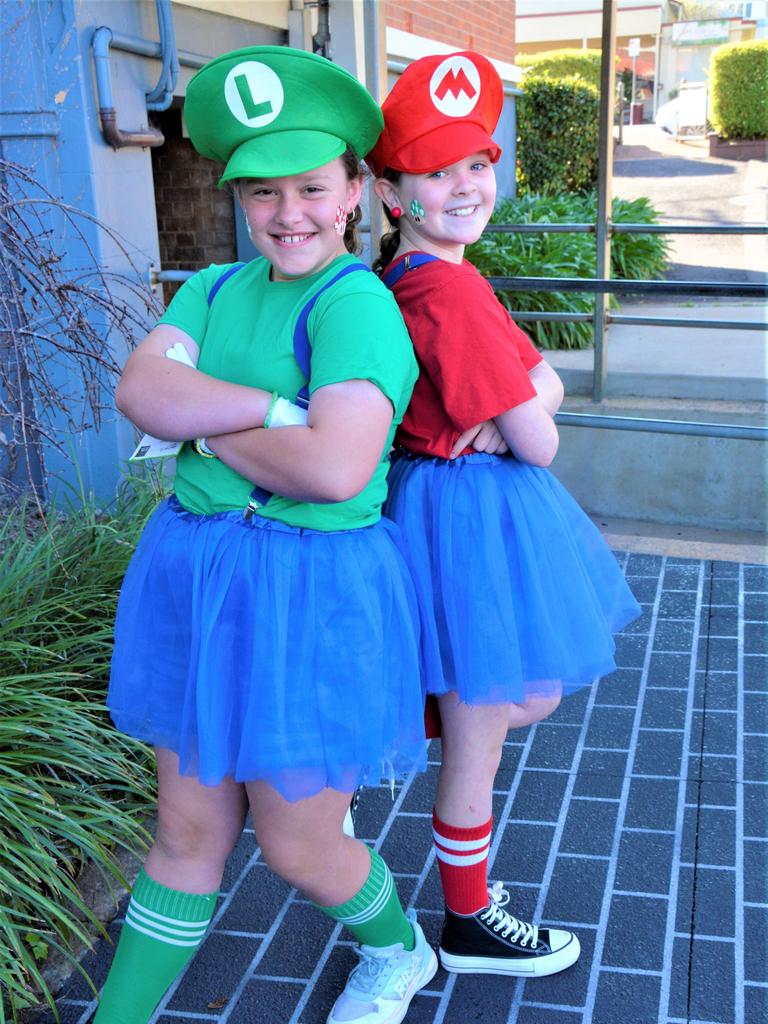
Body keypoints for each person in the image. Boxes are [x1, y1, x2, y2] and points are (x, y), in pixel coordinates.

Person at [97, 46, 437, 1024]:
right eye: (262, 191)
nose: (288, 214)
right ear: (238, 197)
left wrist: (200, 423)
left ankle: (399, 950)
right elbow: (140, 391)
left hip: (313, 594)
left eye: (311, 187)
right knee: (185, 834)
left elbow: (336, 469)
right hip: (199, 579)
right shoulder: (209, 290)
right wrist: (278, 416)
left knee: (297, 845)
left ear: (357, 190)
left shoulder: (356, 304)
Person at [366, 51, 642, 980]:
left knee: (508, 698)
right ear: (395, 191)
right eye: (437, 171)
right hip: (468, 529)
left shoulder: (423, 277)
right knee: (482, 727)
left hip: (445, 515)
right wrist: (527, 403)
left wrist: (529, 397)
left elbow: (541, 386)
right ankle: (470, 920)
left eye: (476, 163)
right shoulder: (449, 288)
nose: (466, 186)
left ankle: (463, 877)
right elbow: (544, 437)